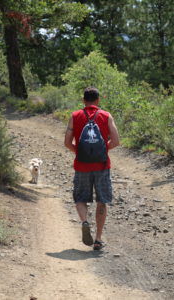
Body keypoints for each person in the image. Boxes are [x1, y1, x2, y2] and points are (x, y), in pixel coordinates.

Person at [64, 87, 119, 250]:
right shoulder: (106, 116)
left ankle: (85, 222)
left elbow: (67, 142)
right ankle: (98, 239)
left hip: (81, 166)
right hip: (102, 165)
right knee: (102, 200)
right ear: (98, 100)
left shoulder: (75, 116)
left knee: (80, 198)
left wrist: (79, 152)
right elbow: (116, 141)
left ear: (83, 100)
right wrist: (103, 150)